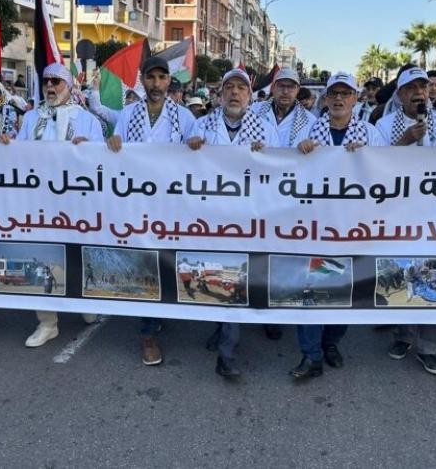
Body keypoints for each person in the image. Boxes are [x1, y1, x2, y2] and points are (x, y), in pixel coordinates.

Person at [374, 67, 436, 376]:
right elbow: (373, 167)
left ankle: (429, 348)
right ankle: (403, 336)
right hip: (399, 213)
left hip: (435, 213)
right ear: (400, 94)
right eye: (411, 88)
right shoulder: (384, 125)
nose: (418, 92)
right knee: (405, 273)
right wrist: (404, 142)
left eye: (423, 87)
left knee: (432, 275)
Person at [290, 71, 385, 380]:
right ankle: (311, 355)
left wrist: (367, 158)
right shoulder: (307, 130)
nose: (339, 99)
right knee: (310, 289)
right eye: (334, 94)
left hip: (354, 227)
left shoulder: (370, 134)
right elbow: (286, 173)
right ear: (326, 98)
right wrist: (300, 151)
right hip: (314, 226)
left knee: (343, 291)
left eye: (346, 93)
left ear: (355, 98)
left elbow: (387, 174)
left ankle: (331, 343)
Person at [186, 68, 277, 379]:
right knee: (215, 276)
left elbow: (281, 173)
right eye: (229, 88)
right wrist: (189, 148)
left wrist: (266, 156)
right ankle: (222, 329)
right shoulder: (201, 126)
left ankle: (227, 352)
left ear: (250, 96)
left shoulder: (265, 130)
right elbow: (179, 169)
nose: (235, 93)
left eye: (241, 88)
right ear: (220, 94)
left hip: (249, 221)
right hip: (210, 219)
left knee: (235, 280)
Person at [107, 56, 196, 366]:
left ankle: (160, 314)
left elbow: (200, 158)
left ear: (169, 80)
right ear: (142, 80)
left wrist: (197, 146)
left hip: (172, 204)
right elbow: (116, 151)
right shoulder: (127, 114)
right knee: (146, 263)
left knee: (167, 262)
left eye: (161, 77)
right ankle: (148, 334)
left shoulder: (184, 117)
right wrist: (112, 142)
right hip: (138, 203)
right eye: (150, 77)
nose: (156, 84)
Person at [16, 63, 103, 348]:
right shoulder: (31, 118)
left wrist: (88, 149)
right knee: (41, 258)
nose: (50, 87)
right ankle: (47, 322)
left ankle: (84, 302)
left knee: (78, 255)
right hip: (38, 203)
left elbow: (101, 162)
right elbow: (17, 155)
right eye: (46, 82)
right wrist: (6, 144)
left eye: (56, 82)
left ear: (69, 85)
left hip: (76, 204)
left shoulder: (87, 120)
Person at [251, 68, 315, 149]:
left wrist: (309, 148)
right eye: (281, 86)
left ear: (298, 89)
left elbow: (317, 151)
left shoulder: (310, 121)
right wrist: (249, 143)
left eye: (291, 87)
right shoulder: (254, 111)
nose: (285, 91)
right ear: (273, 88)